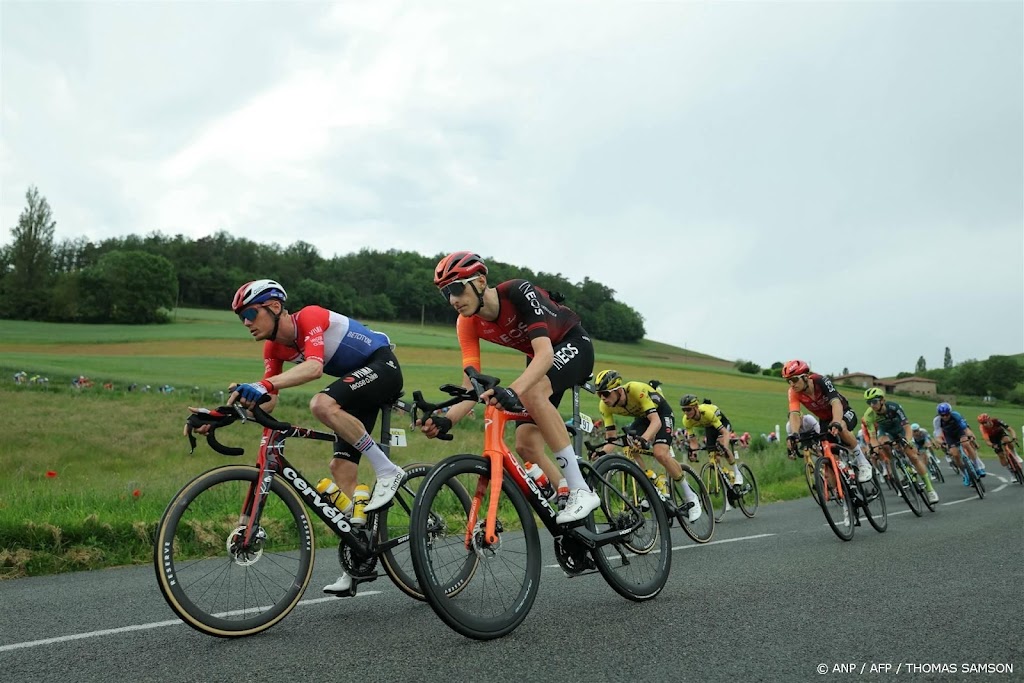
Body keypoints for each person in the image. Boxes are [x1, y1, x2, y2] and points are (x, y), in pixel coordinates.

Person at [194, 279, 406, 597]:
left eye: (250, 313)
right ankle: (358, 556)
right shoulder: (273, 347)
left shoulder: (310, 317)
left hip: (382, 365)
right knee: (340, 469)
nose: (247, 323)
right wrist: (222, 414)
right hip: (355, 387)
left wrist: (264, 385)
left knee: (321, 403)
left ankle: (387, 469)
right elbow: (269, 401)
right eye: (242, 318)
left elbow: (313, 368)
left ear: (275, 307)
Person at [420, 252, 599, 524]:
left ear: (480, 282)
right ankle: (567, 499)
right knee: (526, 443)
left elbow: (545, 355)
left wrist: (513, 392)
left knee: (531, 392)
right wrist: (446, 419)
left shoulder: (517, 291)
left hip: (571, 344)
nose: (453, 299)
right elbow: (472, 387)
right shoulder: (466, 323)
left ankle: (580, 489)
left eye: (457, 288)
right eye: (446, 294)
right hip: (540, 359)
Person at [594, 370, 702, 523]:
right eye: (599, 394)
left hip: (661, 414)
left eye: (605, 393)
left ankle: (691, 496)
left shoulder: (636, 390)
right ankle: (651, 482)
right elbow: (611, 439)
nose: (602, 398)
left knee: (660, 454)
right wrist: (600, 452)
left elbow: (656, 422)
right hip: (642, 418)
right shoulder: (605, 406)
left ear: (618, 390)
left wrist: (645, 439)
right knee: (628, 446)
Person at [781, 359, 873, 482]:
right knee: (829, 458)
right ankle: (845, 493)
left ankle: (863, 462)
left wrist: (836, 421)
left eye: (794, 379)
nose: (792, 384)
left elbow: (836, 402)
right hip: (825, 420)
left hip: (843, 412)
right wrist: (794, 434)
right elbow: (794, 413)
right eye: (788, 381)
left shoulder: (821, 381)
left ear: (805, 377)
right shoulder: (793, 392)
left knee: (841, 427)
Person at [861, 388, 938, 503]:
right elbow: (873, 437)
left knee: (913, 457)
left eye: (874, 401)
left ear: (882, 400)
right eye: (869, 402)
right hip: (885, 431)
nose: (872, 405)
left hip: (901, 429)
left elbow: (907, 426)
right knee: (883, 443)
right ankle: (895, 463)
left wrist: (908, 440)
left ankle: (930, 490)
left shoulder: (894, 407)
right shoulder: (869, 415)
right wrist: (875, 448)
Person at [679, 393, 744, 486]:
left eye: (688, 409)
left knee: (722, 447)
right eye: (683, 410)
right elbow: (693, 441)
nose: (686, 412)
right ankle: (726, 477)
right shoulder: (686, 420)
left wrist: (725, 447)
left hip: (721, 423)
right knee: (713, 457)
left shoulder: (706, 413)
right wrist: (694, 452)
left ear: (696, 407)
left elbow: (725, 432)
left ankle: (737, 473)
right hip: (709, 427)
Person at [933, 402, 986, 485]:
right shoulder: (937, 420)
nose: (945, 417)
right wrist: (943, 443)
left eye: (947, 414)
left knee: (966, 444)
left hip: (959, 432)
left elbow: (965, 429)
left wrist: (970, 436)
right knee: (955, 455)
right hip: (949, 436)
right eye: (942, 415)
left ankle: (978, 467)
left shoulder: (956, 415)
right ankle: (965, 475)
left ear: (950, 412)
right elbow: (938, 436)